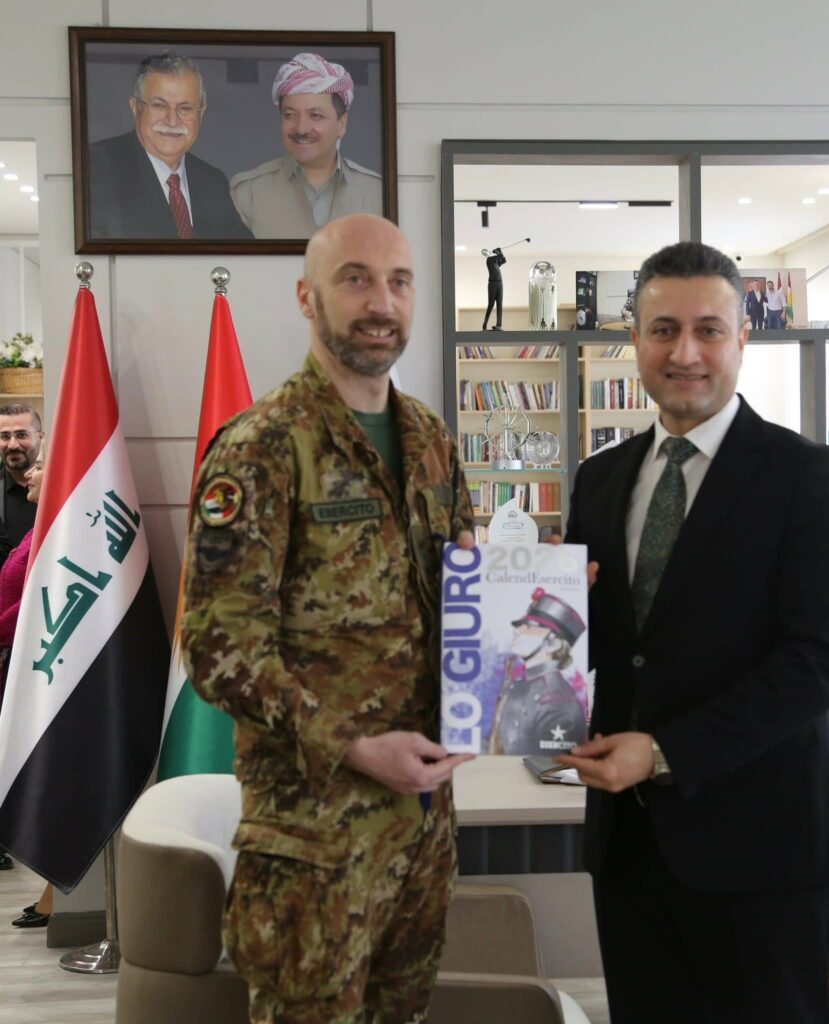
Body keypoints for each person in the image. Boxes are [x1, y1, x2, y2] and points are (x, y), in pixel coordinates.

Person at [557, 240, 829, 1024]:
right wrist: (505, 606)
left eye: (708, 330)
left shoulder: (807, 477)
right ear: (634, 338)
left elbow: (816, 665)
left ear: (742, 339)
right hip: (629, 851)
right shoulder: (599, 479)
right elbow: (589, 640)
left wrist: (664, 751)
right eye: (663, 330)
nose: (684, 353)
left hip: (763, 853)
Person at [181, 213, 475, 1023]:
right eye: (355, 279)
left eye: (398, 281)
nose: (381, 302)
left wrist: (539, 614)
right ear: (307, 297)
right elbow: (216, 647)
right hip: (313, 845)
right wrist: (352, 745)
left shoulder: (430, 439)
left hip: (422, 827)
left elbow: (464, 597)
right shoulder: (263, 446)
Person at [88, 52, 252, 240]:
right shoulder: (95, 168)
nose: (172, 121)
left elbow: (242, 253)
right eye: (159, 105)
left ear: (201, 114)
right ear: (135, 107)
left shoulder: (212, 182)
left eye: (185, 108)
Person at [230, 53, 383, 239]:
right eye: (290, 115)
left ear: (341, 124)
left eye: (315, 115)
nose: (301, 128)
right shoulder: (247, 192)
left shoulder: (376, 191)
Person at [0, 461, 53, 921]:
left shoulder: (52, 529)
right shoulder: (33, 527)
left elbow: (36, 601)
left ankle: (56, 894)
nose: (29, 474)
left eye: (39, 465)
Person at [487, 587, 588, 755]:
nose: (518, 631)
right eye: (521, 626)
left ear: (554, 643)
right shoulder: (517, 686)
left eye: (530, 627)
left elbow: (554, 766)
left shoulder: (558, 700)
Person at [0, 404, 43, 569]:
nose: (12, 445)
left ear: (40, 437)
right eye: (4, 436)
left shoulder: (62, 490)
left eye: (22, 435)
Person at [482, 246, 506, 330]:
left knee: (499, 304)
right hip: (492, 284)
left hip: (500, 283)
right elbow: (500, 256)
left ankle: (499, 325)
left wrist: (499, 251)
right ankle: (485, 323)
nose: (486, 253)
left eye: (486, 251)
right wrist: (498, 251)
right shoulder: (489, 260)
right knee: (491, 304)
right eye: (484, 252)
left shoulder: (495, 263)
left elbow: (504, 260)